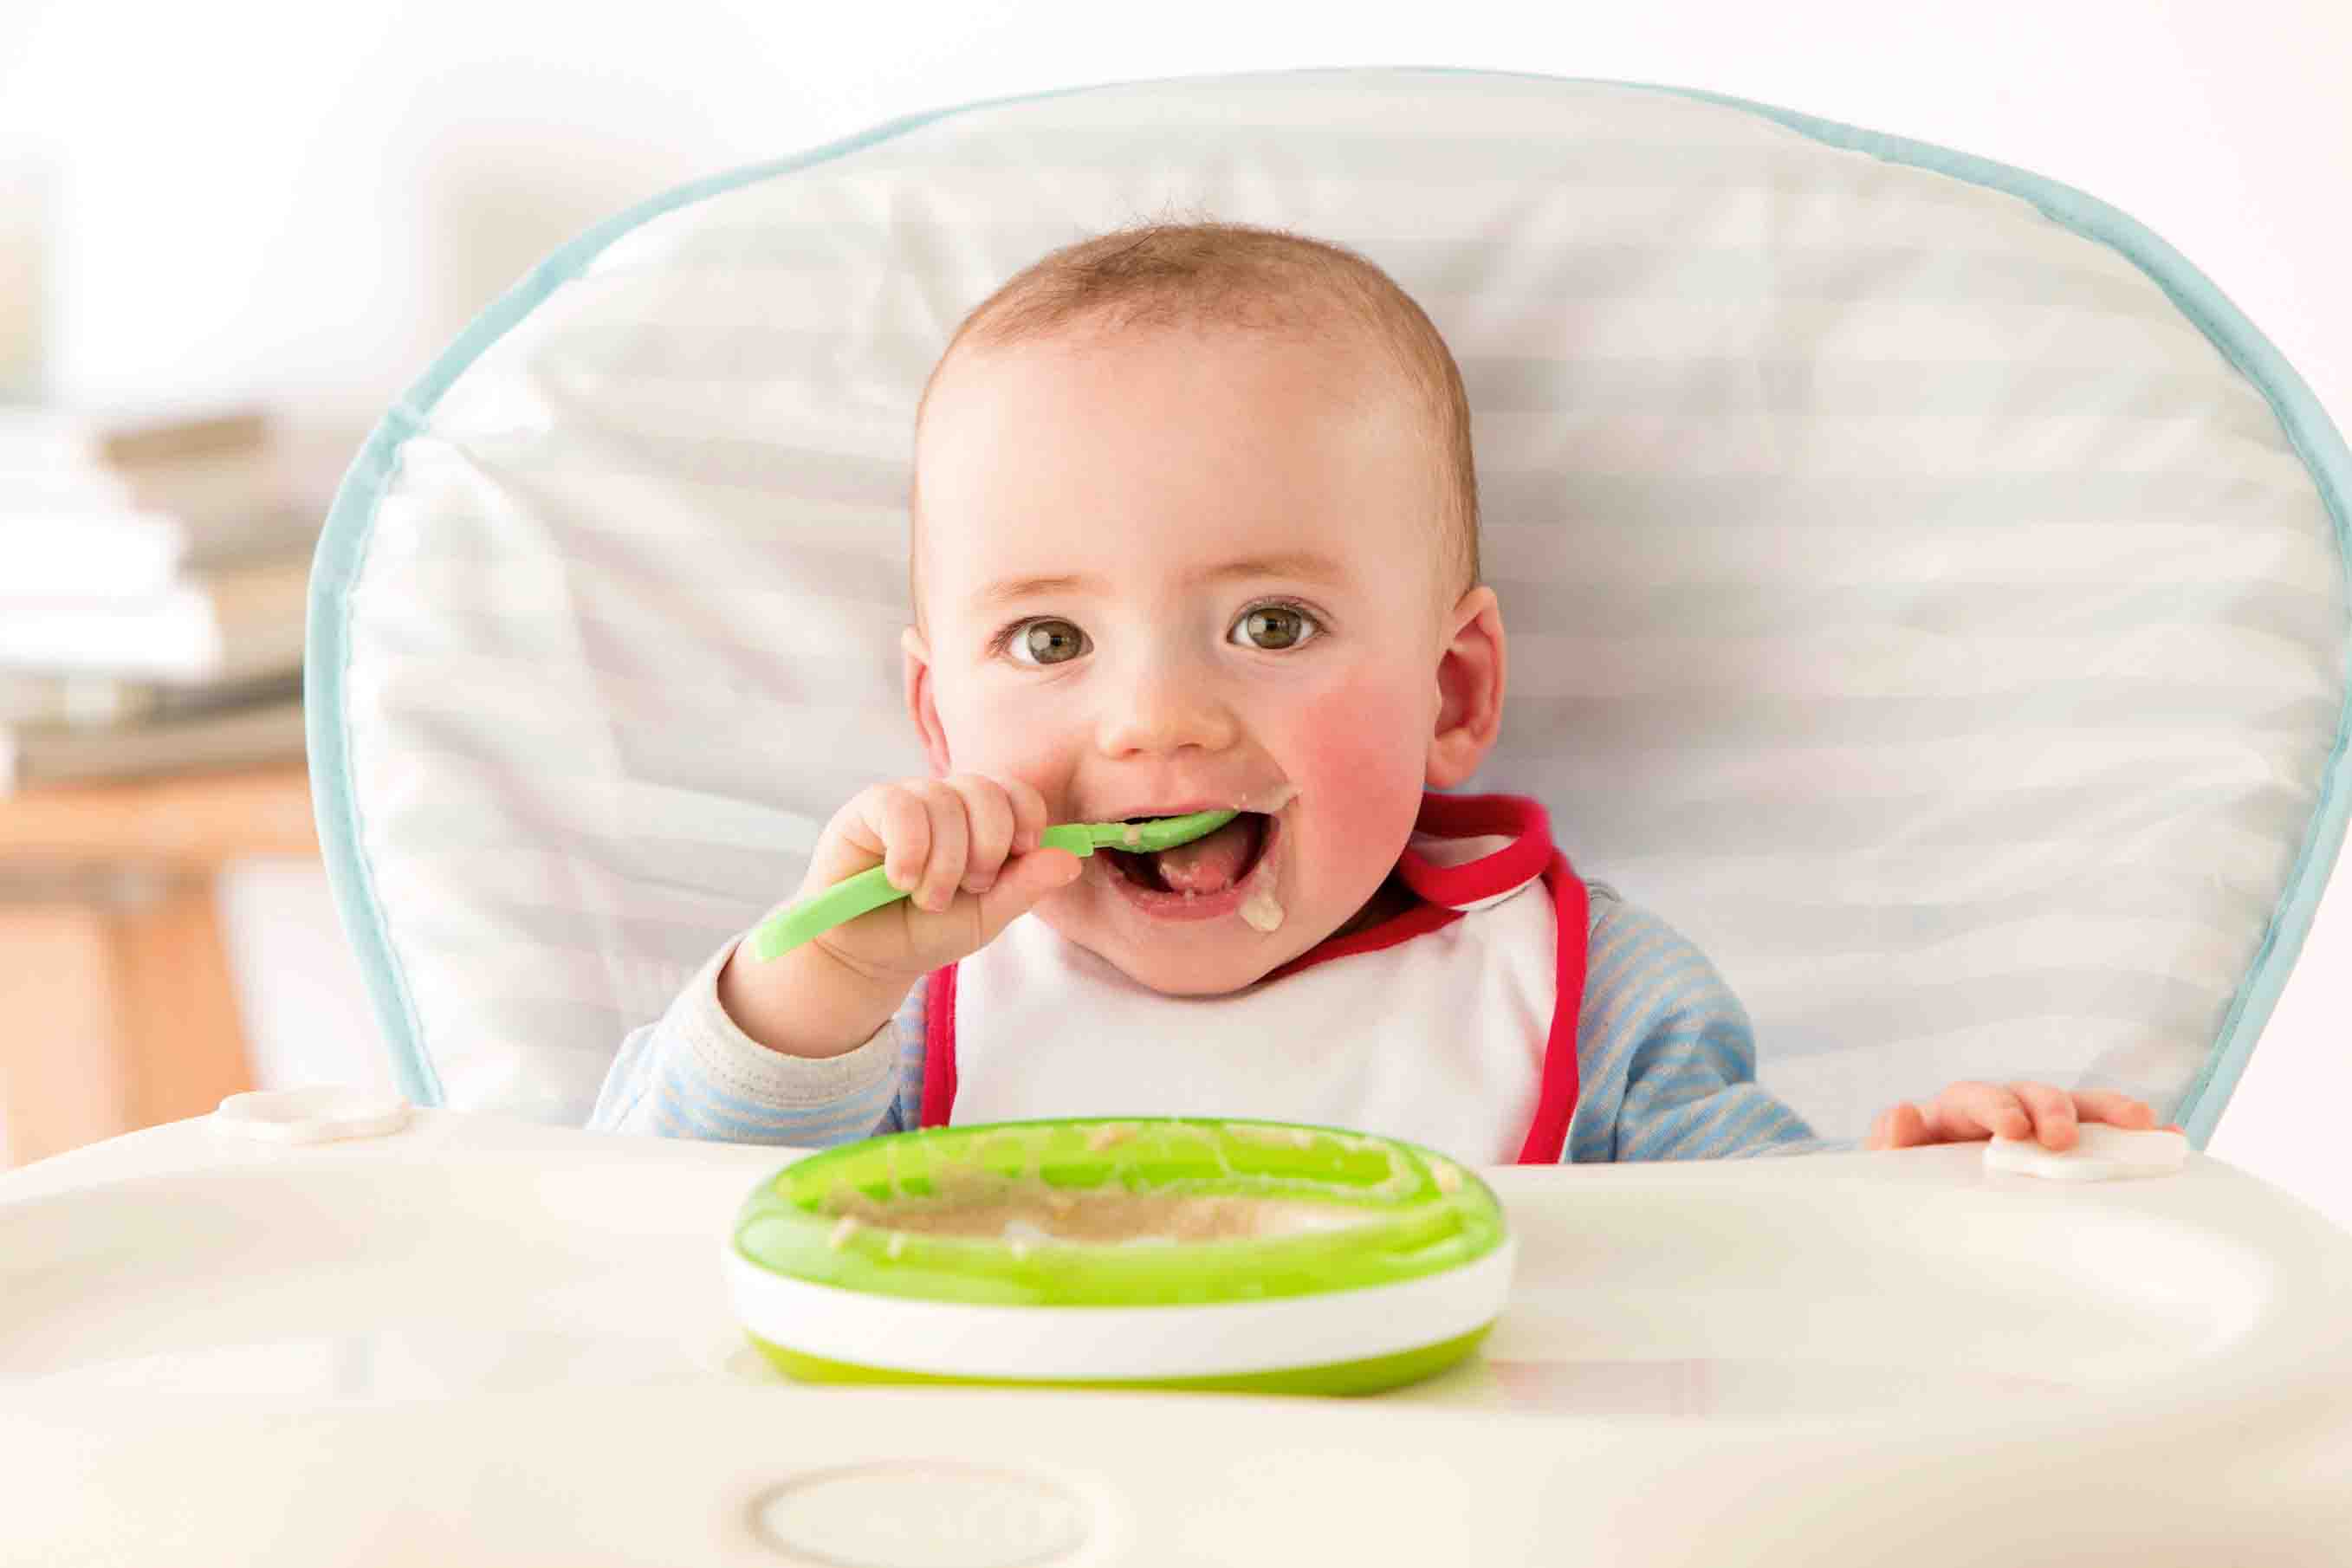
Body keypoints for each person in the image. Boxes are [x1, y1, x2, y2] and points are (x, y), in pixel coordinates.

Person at [591, 220, 2164, 1164]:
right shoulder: (899, 1008)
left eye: (1272, 624)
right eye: (1053, 643)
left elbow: (1769, 1292)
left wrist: (1935, 1212)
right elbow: (628, 1255)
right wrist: (802, 1003)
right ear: (939, 727)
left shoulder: (1583, 997)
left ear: (1453, 691)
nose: (1157, 722)